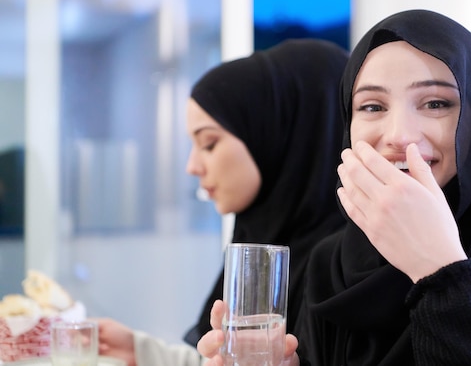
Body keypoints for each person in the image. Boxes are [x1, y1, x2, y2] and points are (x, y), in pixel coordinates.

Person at [197, 10, 471, 365]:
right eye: (373, 107)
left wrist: (441, 272)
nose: (399, 135)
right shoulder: (335, 262)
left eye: (436, 103)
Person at [96, 38, 349, 366]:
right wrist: (141, 352)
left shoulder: (346, 270)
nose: (192, 166)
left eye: (210, 143)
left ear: (276, 136)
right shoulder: (261, 237)